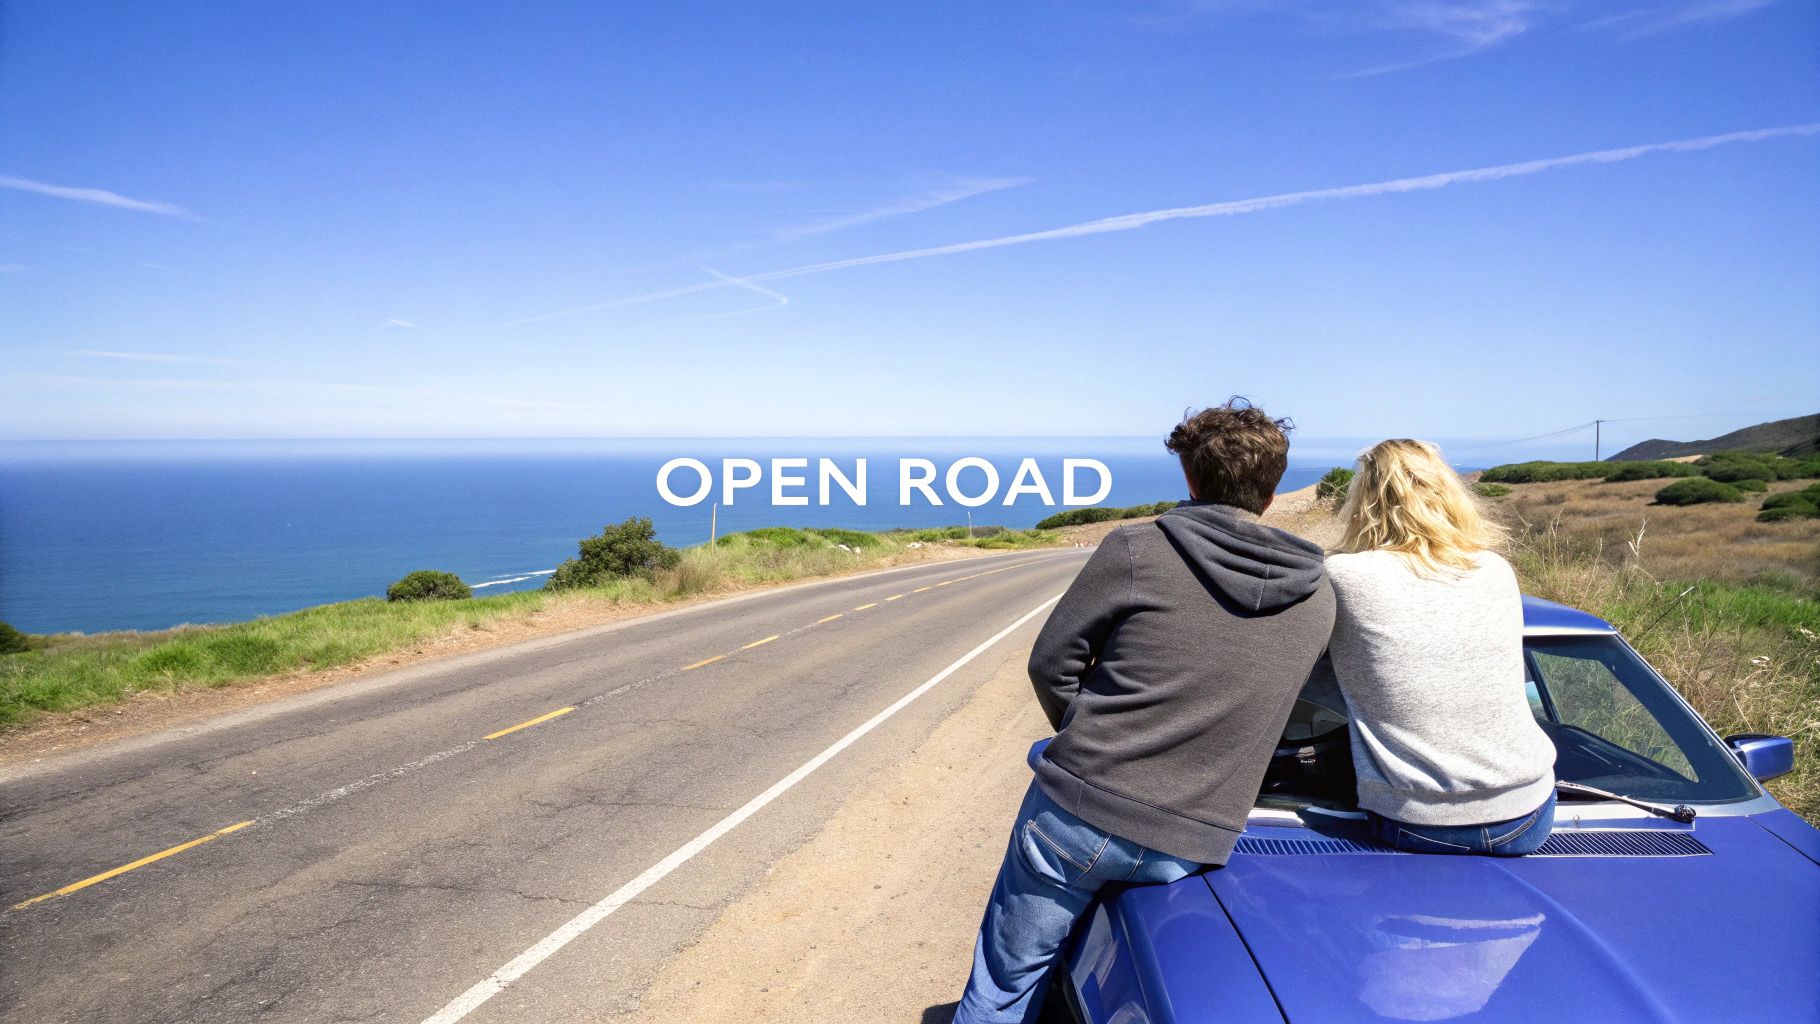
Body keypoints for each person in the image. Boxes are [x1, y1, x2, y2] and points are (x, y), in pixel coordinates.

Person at [954, 399, 1335, 1024]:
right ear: (1272, 491)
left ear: (1189, 477)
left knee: (1004, 985)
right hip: (1192, 838)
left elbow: (1051, 664)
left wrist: (1092, 736)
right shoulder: (1319, 592)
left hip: (1080, 813)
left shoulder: (1138, 547)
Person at [1323, 438, 1558, 856]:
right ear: (1447, 493)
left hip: (1417, 820)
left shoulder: (1343, 575)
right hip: (1529, 813)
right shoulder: (1496, 569)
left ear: (1364, 500)